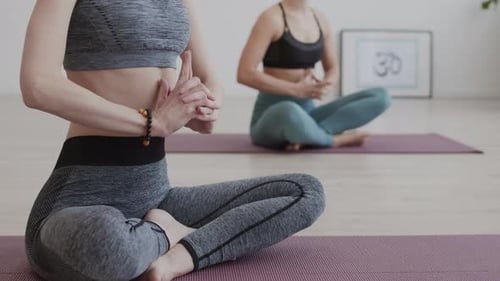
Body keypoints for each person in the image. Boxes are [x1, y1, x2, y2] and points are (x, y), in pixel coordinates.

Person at [20, 1, 325, 281]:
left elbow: (208, 76)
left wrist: (204, 104)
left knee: (306, 192)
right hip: (79, 200)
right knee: (106, 244)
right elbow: (39, 85)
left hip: (156, 195)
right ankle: (164, 232)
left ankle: (180, 253)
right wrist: (153, 122)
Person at [238, 0, 391, 151]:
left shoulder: (320, 18)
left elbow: (332, 68)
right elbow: (245, 73)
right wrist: (296, 90)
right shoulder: (271, 18)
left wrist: (327, 84)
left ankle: (309, 134)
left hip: (309, 114)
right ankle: (333, 140)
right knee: (289, 109)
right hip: (273, 119)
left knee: (380, 96)